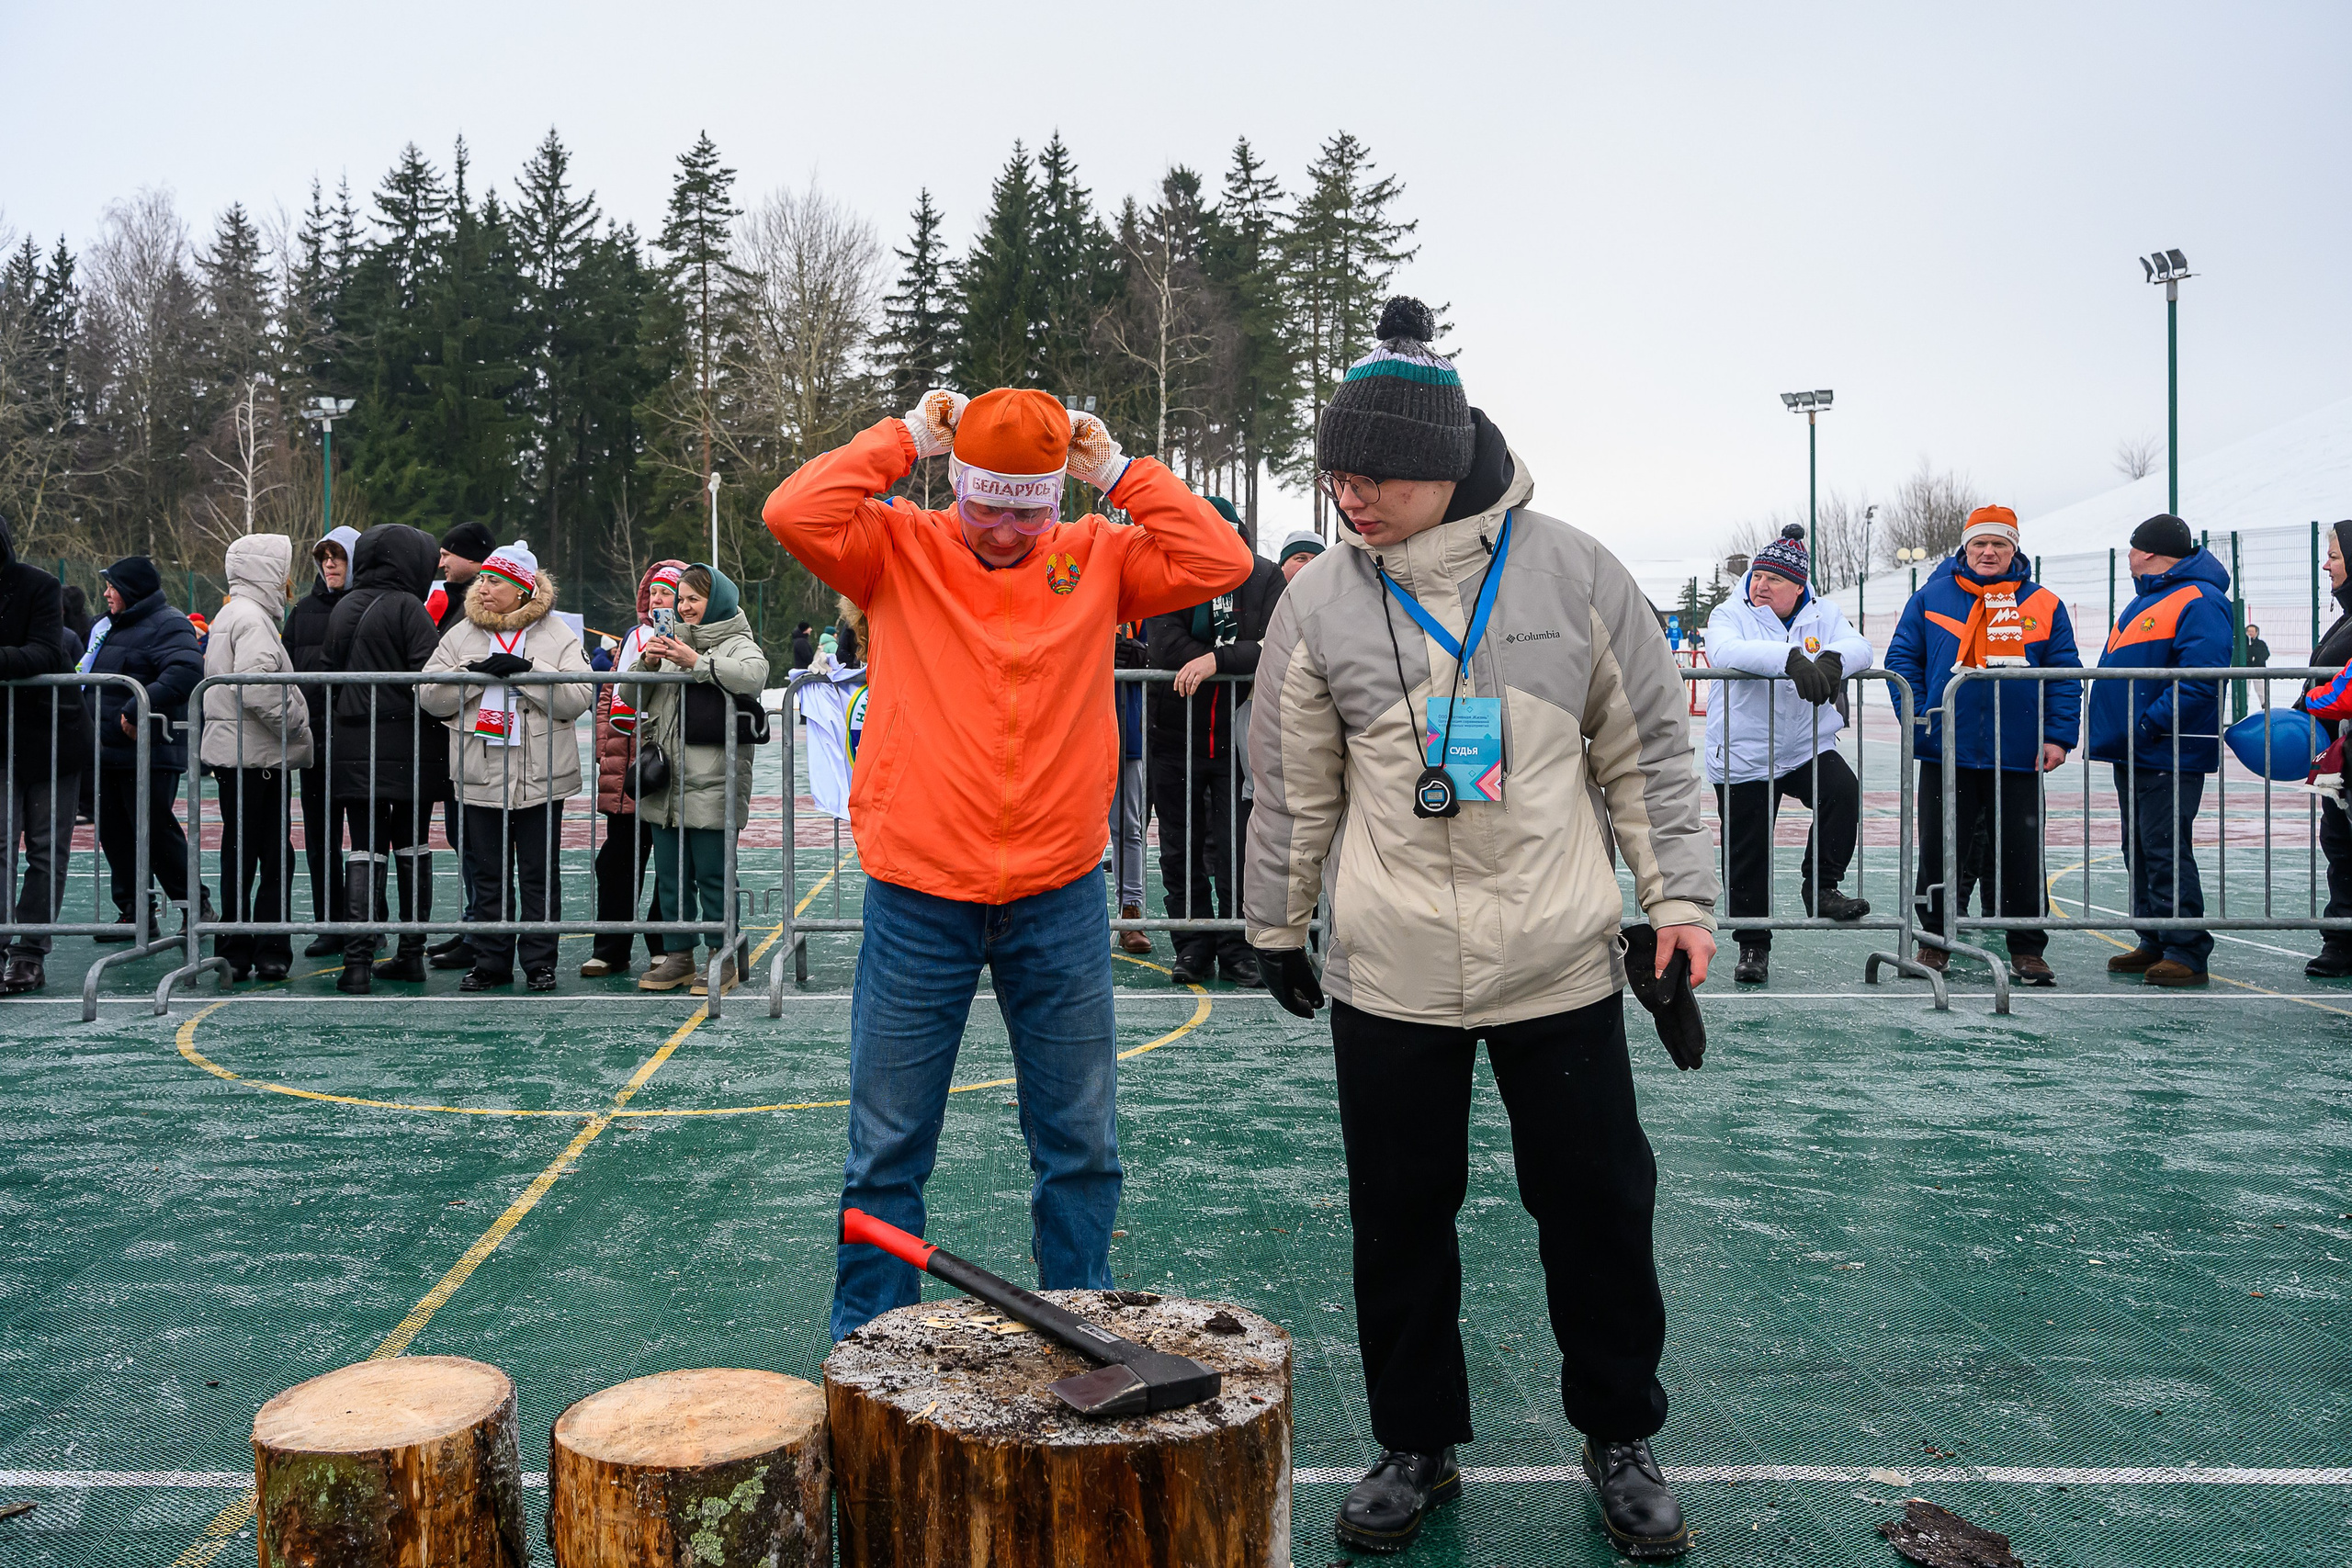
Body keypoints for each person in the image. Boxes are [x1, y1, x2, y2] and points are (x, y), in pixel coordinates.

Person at [1243, 298, 1717, 1560]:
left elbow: (1653, 756)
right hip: (1392, 966)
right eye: (1336, 475)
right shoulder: (1320, 602)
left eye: (1376, 477)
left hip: (1558, 954)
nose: (1352, 499)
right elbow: (1290, 781)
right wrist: (1276, 926)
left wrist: (1678, 900)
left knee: (1601, 1202)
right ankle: (1415, 1440)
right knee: (1399, 1210)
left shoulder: (1575, 571)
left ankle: (1622, 1429)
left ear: (1446, 465)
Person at [763, 383, 1252, 1343]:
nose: (1001, 530)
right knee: (888, 1147)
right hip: (918, 892)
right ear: (955, 484)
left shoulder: (1098, 555)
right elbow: (793, 509)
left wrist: (1114, 472)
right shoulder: (898, 547)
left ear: (1059, 499)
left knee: (1078, 1144)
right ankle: (867, 1344)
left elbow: (1221, 558)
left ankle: (1080, 1325)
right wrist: (903, 437)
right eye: (984, 504)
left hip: (1058, 890)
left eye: (1027, 508)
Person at [1884, 505, 2082, 987]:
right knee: (1937, 851)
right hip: (1945, 751)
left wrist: (2058, 736)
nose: (1989, 552)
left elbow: (2064, 674)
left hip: (2018, 755)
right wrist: (1918, 717)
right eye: (1980, 544)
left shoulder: (2044, 604)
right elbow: (1901, 660)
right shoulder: (1930, 598)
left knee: (2021, 853)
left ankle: (2028, 950)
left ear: (2015, 549)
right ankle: (1933, 943)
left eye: (1999, 544)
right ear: (1965, 548)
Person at [1701, 524, 1873, 985]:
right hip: (1743, 752)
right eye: (1757, 576)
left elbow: (1862, 646)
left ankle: (1821, 886)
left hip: (1804, 746)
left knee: (1842, 790)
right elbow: (1725, 650)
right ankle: (1753, 945)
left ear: (1798, 586)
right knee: (1748, 851)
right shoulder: (1728, 613)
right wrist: (1789, 657)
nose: (1760, 585)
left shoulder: (1825, 613)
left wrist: (1835, 657)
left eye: (1773, 580)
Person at [420, 541, 593, 993]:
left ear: (520, 588)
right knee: (487, 873)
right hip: (480, 771)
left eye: (495, 580)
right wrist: (473, 678)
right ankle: (491, 961)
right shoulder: (460, 634)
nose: (484, 587)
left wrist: (527, 671)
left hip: (541, 774)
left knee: (539, 872)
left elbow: (578, 698)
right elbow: (428, 696)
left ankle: (539, 962)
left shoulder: (557, 636)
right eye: (483, 579)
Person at [1145, 497, 1285, 987]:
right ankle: (1192, 946)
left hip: (1241, 739)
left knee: (1237, 847)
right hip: (1173, 735)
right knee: (1179, 848)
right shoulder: (1173, 571)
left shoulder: (1265, 576)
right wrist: (1228, 655)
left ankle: (1238, 946)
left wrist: (1214, 663)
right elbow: (1162, 641)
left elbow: (1276, 644)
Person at [2086, 513, 2232, 987]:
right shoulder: (2151, 599)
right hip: (2140, 749)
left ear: (2147, 552)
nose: (2128, 556)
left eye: (2132, 548)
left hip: (2167, 750)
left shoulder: (2198, 600)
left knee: (2165, 847)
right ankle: (2154, 937)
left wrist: (2149, 725)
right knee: (2142, 848)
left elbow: (2200, 678)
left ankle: (2186, 948)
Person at [623, 562, 768, 996]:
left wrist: (698, 662)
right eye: (679, 599)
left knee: (713, 874)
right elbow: (628, 696)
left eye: (693, 599)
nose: (684, 607)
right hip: (665, 782)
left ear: (716, 601)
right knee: (670, 875)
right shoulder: (664, 643)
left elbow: (754, 677)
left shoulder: (737, 641)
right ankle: (677, 955)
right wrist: (646, 664)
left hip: (714, 783)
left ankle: (720, 955)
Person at [321, 524, 446, 993]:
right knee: (412, 844)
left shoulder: (345, 604)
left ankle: (357, 963)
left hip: (354, 742)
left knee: (364, 846)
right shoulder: (408, 606)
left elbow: (328, 674)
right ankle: (410, 953)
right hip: (408, 743)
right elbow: (428, 676)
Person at [199, 534, 314, 983]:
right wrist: (296, 725)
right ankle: (268, 946)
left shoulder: (233, 614)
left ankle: (237, 946)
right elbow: (258, 685)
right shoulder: (252, 620)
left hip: (240, 757)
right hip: (257, 758)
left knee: (241, 852)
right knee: (270, 854)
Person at [83, 556, 205, 942]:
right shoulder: (112, 628)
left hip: (150, 752)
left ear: (131, 590)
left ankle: (195, 907)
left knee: (154, 833)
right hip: (109, 753)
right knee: (116, 835)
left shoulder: (169, 623)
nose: (106, 594)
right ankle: (135, 914)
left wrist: (137, 707)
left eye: (113, 587)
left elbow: (185, 671)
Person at [583, 559, 685, 979]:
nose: (659, 599)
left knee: (669, 861)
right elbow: (610, 697)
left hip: (670, 764)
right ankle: (611, 948)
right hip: (627, 766)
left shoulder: (693, 639)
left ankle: (663, 946)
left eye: (669, 592)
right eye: (655, 592)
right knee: (618, 861)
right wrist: (603, 749)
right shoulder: (632, 637)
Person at [1, 513, 77, 994]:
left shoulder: (38, 586)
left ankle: (29, 951)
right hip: (3, 743)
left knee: (46, 850)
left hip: (53, 738)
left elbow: (47, 653)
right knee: (0, 847)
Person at [422, 521, 494, 972]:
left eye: (450, 553)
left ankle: (485, 931)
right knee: (464, 840)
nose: (442, 561)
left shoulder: (475, 610)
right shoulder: (446, 602)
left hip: (484, 745)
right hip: (456, 741)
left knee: (480, 844)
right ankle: (474, 926)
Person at [284, 526, 358, 955]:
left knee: (366, 840)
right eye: (324, 556)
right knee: (320, 838)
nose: (329, 564)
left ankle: (368, 919)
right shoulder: (304, 611)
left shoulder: (368, 607)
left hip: (359, 739)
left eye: (339, 556)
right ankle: (329, 921)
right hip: (315, 742)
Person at [2299, 523, 2352, 977]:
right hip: (2343, 759)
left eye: (2334, 555)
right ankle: (2342, 938)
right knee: (2339, 842)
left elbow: (2342, 690)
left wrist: (2310, 701)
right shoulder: (2345, 617)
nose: (2326, 564)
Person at [1108, 618, 1151, 955]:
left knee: (1129, 828)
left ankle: (1131, 913)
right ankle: (1064, 916)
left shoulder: (1141, 611)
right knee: (1065, 829)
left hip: (1125, 731)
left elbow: (1167, 652)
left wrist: (1148, 657)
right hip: (1070, 732)